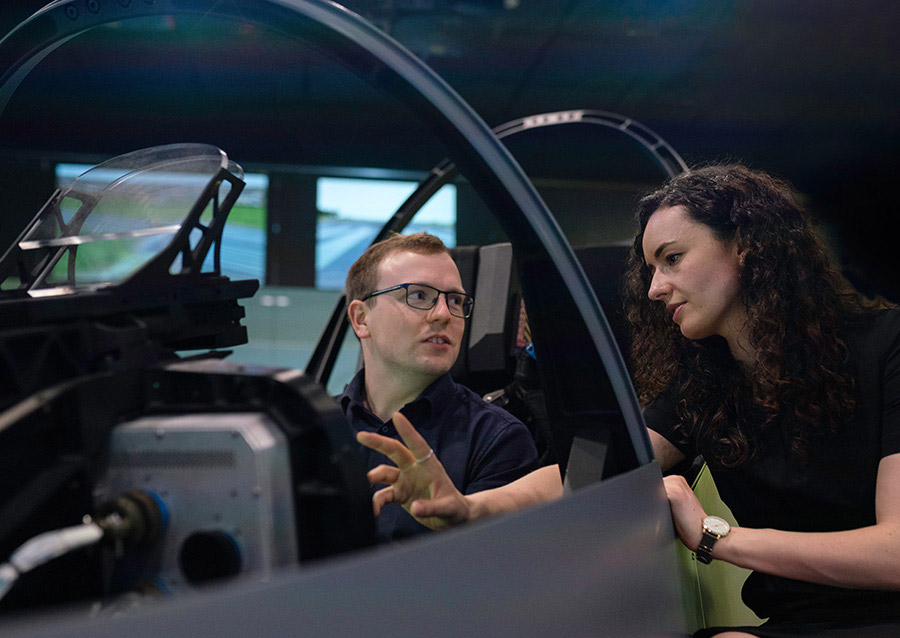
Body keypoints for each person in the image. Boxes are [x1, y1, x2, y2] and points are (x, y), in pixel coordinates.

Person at [356, 166, 900, 637]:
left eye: (673, 258)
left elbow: (894, 554)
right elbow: (587, 473)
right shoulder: (704, 386)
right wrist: (471, 508)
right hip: (791, 625)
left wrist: (719, 538)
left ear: (745, 244)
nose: (655, 288)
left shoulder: (886, 345)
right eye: (652, 269)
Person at [339, 232, 539, 542]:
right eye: (418, 295)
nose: (445, 314)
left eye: (455, 300)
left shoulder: (498, 439)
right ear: (361, 318)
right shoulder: (314, 428)